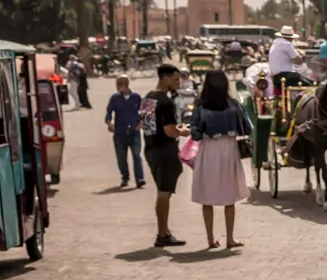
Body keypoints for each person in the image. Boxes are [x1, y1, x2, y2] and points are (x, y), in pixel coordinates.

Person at [188, 70, 251, 249]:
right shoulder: (233, 104)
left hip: (209, 149)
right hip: (229, 149)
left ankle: (210, 238)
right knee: (229, 195)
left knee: (207, 195)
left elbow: (196, 132)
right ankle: (230, 238)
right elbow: (247, 128)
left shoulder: (201, 105)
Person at [140, 64, 187, 247]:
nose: (178, 83)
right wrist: (182, 131)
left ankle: (164, 230)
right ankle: (162, 234)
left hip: (150, 147)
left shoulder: (147, 99)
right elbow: (169, 131)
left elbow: (144, 125)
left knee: (162, 191)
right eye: (175, 79)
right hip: (164, 149)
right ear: (165, 78)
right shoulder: (165, 102)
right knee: (164, 193)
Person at [104, 75, 145, 188]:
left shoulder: (136, 97)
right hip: (120, 132)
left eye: (120, 84)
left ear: (126, 85)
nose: (118, 87)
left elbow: (143, 111)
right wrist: (109, 123)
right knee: (121, 157)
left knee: (136, 155)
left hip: (134, 131)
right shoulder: (115, 98)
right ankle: (125, 177)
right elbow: (109, 111)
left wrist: (141, 123)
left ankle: (139, 178)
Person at [267, 26, 305, 98]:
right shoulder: (287, 44)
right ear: (290, 38)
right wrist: (303, 55)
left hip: (276, 78)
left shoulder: (275, 43)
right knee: (312, 85)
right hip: (287, 77)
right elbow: (299, 61)